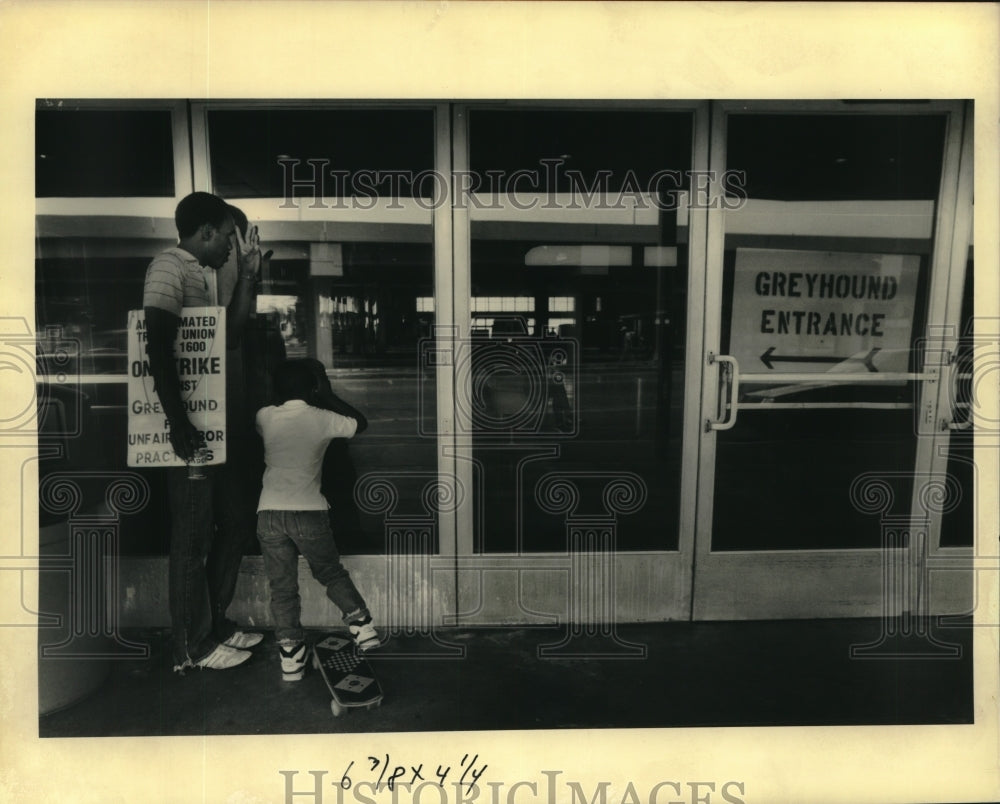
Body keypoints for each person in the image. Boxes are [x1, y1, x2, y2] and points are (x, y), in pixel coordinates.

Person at [143, 191, 265, 672]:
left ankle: (214, 624)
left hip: (217, 425)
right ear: (208, 231)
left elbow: (228, 337)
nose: (231, 253)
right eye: (230, 243)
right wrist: (178, 423)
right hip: (189, 429)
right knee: (192, 536)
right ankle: (192, 647)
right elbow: (157, 347)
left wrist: (249, 277)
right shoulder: (168, 267)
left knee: (235, 521)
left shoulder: (207, 277)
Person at [255, 358, 379, 681]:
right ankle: (362, 627)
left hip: (269, 513)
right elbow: (359, 423)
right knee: (328, 571)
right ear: (313, 388)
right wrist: (325, 393)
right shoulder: (322, 418)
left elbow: (270, 410)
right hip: (309, 511)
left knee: (282, 587)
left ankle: (292, 658)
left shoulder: (265, 416)